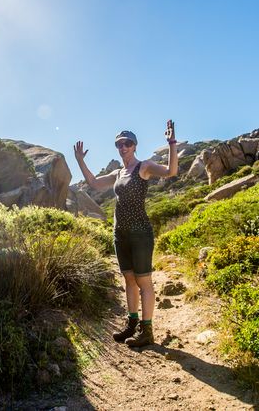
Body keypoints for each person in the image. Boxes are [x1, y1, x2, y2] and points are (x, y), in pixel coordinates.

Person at [74, 120, 178, 347]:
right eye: (119, 144)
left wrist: (171, 143)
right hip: (120, 234)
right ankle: (131, 325)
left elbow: (171, 171)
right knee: (129, 280)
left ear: (135, 146)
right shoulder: (118, 172)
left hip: (140, 232)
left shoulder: (145, 167)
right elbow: (92, 182)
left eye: (127, 143)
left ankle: (147, 330)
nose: (123, 148)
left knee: (144, 281)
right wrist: (81, 161)